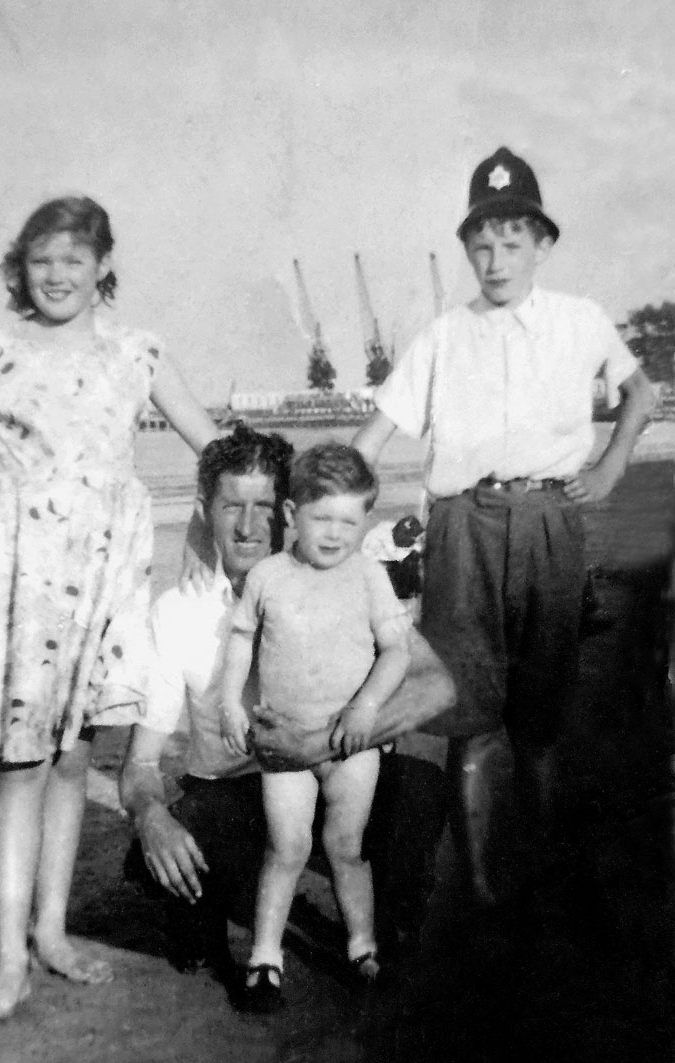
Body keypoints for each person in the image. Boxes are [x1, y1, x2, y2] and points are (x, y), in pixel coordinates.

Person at [0, 195, 218, 1022]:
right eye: (41, 260)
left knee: (73, 759)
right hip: (26, 580)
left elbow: (215, 447)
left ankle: (55, 933)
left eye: (74, 258)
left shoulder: (138, 351)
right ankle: (9, 962)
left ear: (104, 264)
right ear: (18, 271)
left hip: (108, 574)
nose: (57, 275)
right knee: (21, 766)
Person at [353, 147, 655, 906]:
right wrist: (322, 512)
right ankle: (483, 887)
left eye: (512, 243)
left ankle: (544, 867)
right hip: (463, 525)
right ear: (467, 248)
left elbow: (641, 393)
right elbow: (371, 441)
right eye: (481, 244)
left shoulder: (579, 320)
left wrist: (613, 466)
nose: (495, 259)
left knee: (542, 719)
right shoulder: (442, 336)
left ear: (542, 245)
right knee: (470, 714)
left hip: (552, 519)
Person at [119, 425, 455, 997]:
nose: (248, 527)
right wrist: (151, 816)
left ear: (289, 512)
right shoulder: (177, 613)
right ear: (206, 511)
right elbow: (140, 765)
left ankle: (378, 934)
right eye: (232, 507)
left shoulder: (344, 578)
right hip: (238, 791)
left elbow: (437, 687)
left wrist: (323, 742)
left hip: (333, 767)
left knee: (419, 789)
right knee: (169, 867)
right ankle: (223, 918)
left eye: (264, 507)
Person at [220, 442, 412, 1009]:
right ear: (290, 516)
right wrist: (231, 702)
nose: (333, 533)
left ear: (366, 522)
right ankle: (265, 957)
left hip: (352, 744)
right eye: (320, 517)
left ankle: (361, 944)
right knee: (287, 847)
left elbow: (396, 651)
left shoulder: (370, 576)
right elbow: (239, 642)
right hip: (284, 745)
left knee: (347, 847)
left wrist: (367, 708)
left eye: (348, 521)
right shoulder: (268, 577)